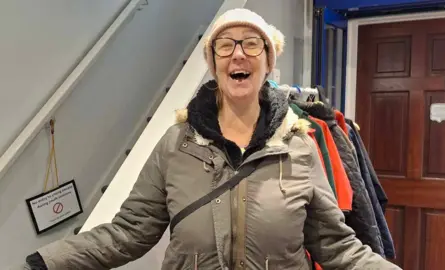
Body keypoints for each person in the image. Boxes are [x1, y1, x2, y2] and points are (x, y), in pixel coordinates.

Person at [19, 8, 401, 270]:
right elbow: (129, 231)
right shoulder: (175, 145)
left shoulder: (298, 148)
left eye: (252, 44)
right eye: (225, 45)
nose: (238, 54)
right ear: (213, 62)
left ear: (268, 61)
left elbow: (335, 245)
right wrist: (53, 259)